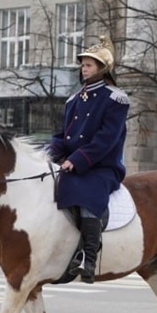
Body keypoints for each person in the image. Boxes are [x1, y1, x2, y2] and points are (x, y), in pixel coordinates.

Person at [48, 36, 130, 283]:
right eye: (82, 65)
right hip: (73, 163)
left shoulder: (115, 99)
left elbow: (107, 139)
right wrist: (49, 153)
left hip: (101, 166)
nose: (83, 69)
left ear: (102, 68)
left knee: (86, 195)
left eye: (89, 65)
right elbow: (64, 135)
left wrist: (78, 159)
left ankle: (88, 257)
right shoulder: (74, 100)